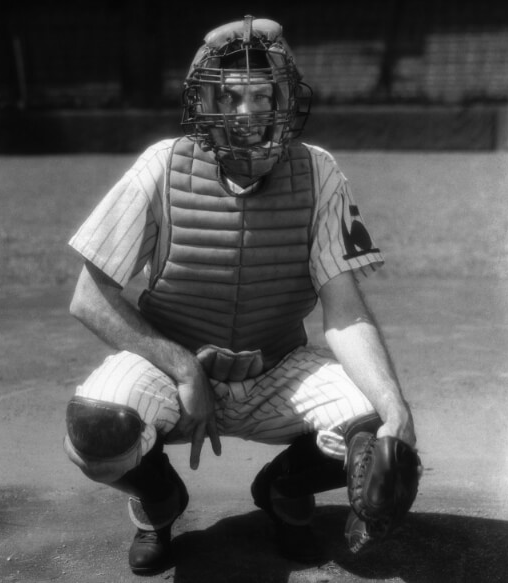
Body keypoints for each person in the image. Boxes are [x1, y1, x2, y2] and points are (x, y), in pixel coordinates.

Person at [63, 15, 418, 574]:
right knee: (97, 430)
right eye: (229, 97)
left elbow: (345, 312)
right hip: (171, 370)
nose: (246, 113)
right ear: (204, 103)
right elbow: (89, 296)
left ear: (284, 99)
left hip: (275, 367)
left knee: (377, 432)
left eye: (261, 95)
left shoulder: (319, 172)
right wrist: (183, 368)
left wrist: (396, 408)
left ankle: (283, 490)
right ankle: (159, 501)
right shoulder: (162, 166)